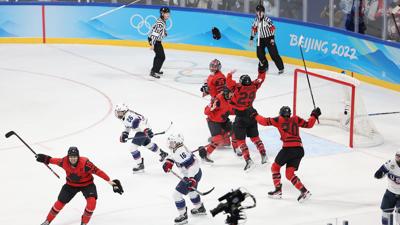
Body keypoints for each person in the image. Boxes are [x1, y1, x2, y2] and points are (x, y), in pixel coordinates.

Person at [36, 147, 123, 225]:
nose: (72, 159)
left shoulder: (86, 164)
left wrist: (110, 181)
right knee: (59, 203)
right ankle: (47, 221)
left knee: (92, 203)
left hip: (87, 185)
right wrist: (44, 158)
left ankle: (84, 223)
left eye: (74, 157)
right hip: (70, 185)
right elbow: (51, 160)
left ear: (78, 156)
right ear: (68, 157)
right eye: (70, 157)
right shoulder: (63, 161)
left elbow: (98, 172)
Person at [255, 106, 321, 202]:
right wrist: (314, 115)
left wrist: (255, 115)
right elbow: (309, 124)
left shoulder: (279, 119)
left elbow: (263, 121)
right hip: (299, 150)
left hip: (288, 148)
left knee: (275, 167)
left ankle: (278, 190)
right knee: (289, 174)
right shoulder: (296, 119)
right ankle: (304, 191)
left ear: (280, 113)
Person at [226, 68, 268, 171]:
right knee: (255, 138)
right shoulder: (254, 86)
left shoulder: (237, 88)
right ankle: (263, 155)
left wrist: (229, 74)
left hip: (240, 117)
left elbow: (229, 83)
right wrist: (261, 71)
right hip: (252, 113)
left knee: (241, 140)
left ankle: (248, 159)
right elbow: (260, 79)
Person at [162, 133, 207, 225]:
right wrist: (169, 162)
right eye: (170, 142)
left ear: (177, 143)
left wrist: (191, 179)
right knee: (192, 192)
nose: (170, 144)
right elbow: (173, 156)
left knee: (176, 195)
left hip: (192, 174)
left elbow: (192, 166)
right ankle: (199, 208)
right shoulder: (178, 148)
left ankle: (183, 216)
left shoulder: (180, 151)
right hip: (196, 173)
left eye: (172, 142)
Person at [115, 103, 168, 173]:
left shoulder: (129, 116)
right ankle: (162, 153)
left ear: (124, 112)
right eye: (117, 112)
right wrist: (125, 133)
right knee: (147, 144)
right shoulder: (125, 116)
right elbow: (127, 125)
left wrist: (146, 130)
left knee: (132, 148)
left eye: (120, 113)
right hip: (143, 130)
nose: (118, 114)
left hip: (142, 130)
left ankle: (140, 165)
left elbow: (139, 123)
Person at [199, 88, 239, 163]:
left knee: (234, 131)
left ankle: (236, 148)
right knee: (218, 138)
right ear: (226, 93)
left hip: (223, 120)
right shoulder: (217, 100)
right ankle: (206, 154)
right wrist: (211, 108)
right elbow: (205, 111)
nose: (232, 96)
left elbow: (229, 110)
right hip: (213, 121)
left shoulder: (230, 99)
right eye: (230, 94)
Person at [250, 3, 284, 74]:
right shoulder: (255, 20)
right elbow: (254, 30)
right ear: (256, 12)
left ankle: (281, 68)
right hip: (260, 39)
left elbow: (273, 29)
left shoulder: (267, 20)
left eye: (261, 12)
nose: (259, 13)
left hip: (269, 38)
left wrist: (272, 38)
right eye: (258, 12)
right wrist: (251, 38)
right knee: (259, 54)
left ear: (263, 12)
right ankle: (265, 66)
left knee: (274, 54)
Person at [375, 150, 400, 225]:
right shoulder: (391, 163)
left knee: (399, 216)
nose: (398, 158)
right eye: (397, 156)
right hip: (390, 192)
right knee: (386, 213)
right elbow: (379, 173)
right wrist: (380, 174)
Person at [148, 7, 170, 78]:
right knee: (161, 57)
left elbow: (160, 30)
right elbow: (154, 33)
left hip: (156, 40)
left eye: (168, 13)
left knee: (159, 56)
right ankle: (153, 71)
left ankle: (155, 70)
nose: (168, 15)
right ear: (162, 13)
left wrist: (164, 33)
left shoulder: (162, 20)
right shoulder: (160, 22)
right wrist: (152, 44)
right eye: (167, 13)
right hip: (154, 40)